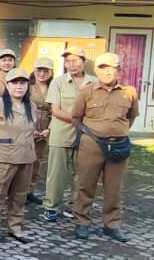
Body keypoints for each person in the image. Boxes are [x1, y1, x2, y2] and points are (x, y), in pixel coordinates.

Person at [71, 53, 137, 242]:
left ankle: (112, 225)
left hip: (118, 147)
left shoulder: (129, 92)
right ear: (96, 70)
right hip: (92, 144)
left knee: (114, 188)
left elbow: (131, 116)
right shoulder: (87, 92)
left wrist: (118, 131)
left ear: (118, 70)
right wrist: (95, 135)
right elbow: (76, 117)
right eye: (102, 68)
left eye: (111, 68)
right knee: (85, 184)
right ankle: (82, 222)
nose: (107, 72)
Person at [0, 68, 38, 243]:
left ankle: (15, 227)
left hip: (26, 156)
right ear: (7, 84)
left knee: (20, 195)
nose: (19, 86)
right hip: (2, 157)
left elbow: (33, 128)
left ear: (27, 85)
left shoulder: (31, 106)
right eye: (14, 82)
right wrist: (1, 141)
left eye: (22, 82)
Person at [43, 46, 96, 222]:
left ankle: (75, 206)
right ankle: (51, 206)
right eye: (67, 61)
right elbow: (56, 110)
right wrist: (78, 121)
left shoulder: (94, 83)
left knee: (82, 173)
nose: (71, 65)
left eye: (75, 60)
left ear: (84, 62)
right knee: (56, 172)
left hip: (87, 135)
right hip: (61, 132)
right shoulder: (57, 82)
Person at [27, 57, 53, 205]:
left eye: (45, 71)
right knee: (24, 159)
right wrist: (31, 128)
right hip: (28, 125)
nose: (42, 74)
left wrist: (49, 129)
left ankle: (30, 190)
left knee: (37, 160)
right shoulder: (28, 86)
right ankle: (19, 191)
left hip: (46, 127)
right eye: (39, 70)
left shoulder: (54, 87)